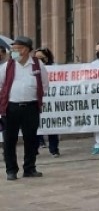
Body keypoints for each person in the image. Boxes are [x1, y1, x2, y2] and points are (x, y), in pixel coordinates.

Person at [0, 37, 49, 180]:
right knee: (9, 140)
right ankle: (11, 170)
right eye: (13, 48)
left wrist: (37, 97)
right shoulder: (7, 66)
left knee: (31, 139)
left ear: (26, 50)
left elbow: (44, 84)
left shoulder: (37, 64)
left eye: (16, 48)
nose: (13, 51)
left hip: (31, 107)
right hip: (11, 107)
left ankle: (29, 168)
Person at [35, 47, 60, 157]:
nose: (39, 60)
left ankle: (54, 149)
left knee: (52, 125)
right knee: (34, 126)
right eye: (36, 58)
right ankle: (34, 149)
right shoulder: (32, 69)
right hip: (37, 101)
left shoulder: (55, 68)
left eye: (41, 58)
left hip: (52, 102)